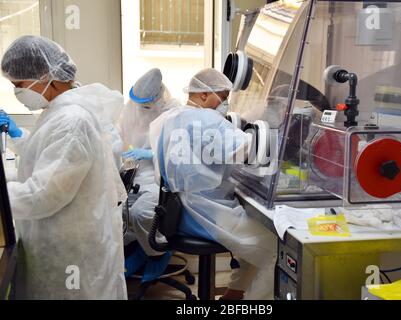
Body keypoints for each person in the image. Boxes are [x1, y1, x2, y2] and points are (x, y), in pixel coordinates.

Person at [0, 35, 127, 300]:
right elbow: (46, 158)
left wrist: (2, 194)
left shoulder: (72, 121)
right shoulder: (62, 111)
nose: (17, 92)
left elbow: (43, 195)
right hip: (69, 241)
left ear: (47, 76)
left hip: (71, 254)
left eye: (19, 84)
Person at [149, 68, 277, 300]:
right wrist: (276, 135)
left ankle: (233, 295)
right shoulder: (207, 120)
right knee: (275, 250)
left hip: (177, 212)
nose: (225, 105)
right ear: (204, 95)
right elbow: (248, 148)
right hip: (205, 213)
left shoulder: (171, 119)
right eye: (223, 97)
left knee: (255, 244)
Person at [119, 68, 180, 278]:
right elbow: (120, 132)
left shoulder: (173, 112)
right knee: (121, 210)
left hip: (161, 177)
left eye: (146, 104)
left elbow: (177, 153)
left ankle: (157, 253)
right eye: (138, 103)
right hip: (137, 172)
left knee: (141, 213)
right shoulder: (133, 107)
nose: (141, 109)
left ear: (157, 97)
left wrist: (150, 154)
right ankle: (141, 249)